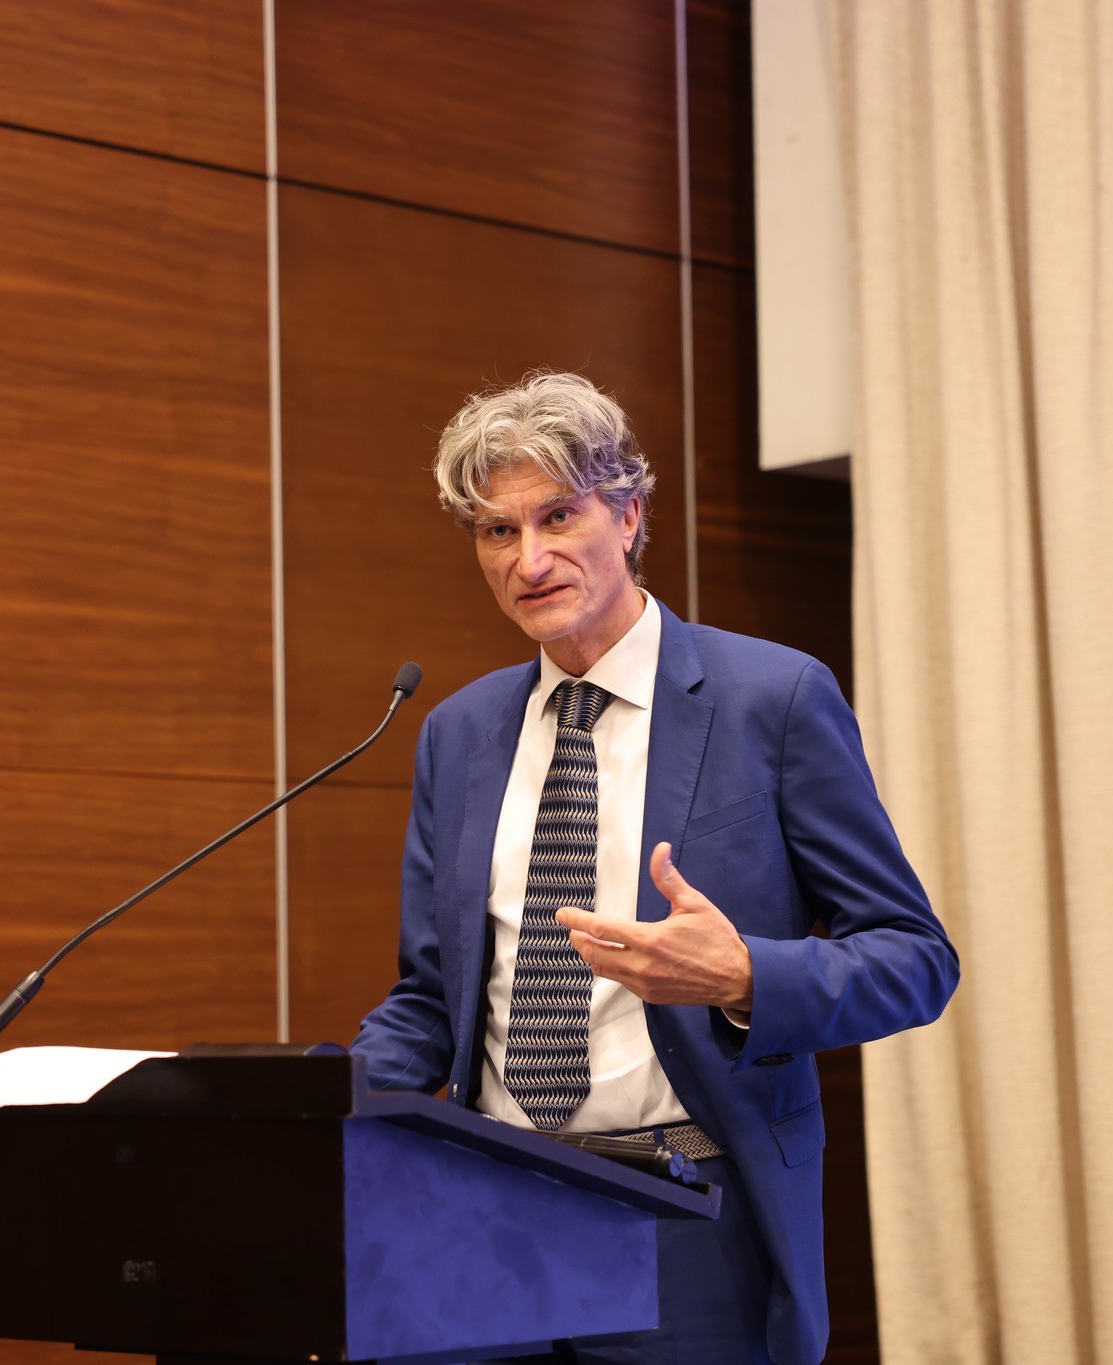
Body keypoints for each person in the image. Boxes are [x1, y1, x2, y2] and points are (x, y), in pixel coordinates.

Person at [349, 371, 959, 1365]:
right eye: (497, 531)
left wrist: (745, 976)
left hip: (684, 1217)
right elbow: (430, 997)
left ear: (627, 513)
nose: (528, 559)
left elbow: (914, 958)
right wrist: (316, 1110)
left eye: (558, 516)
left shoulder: (772, 700)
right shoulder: (458, 733)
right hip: (482, 1219)